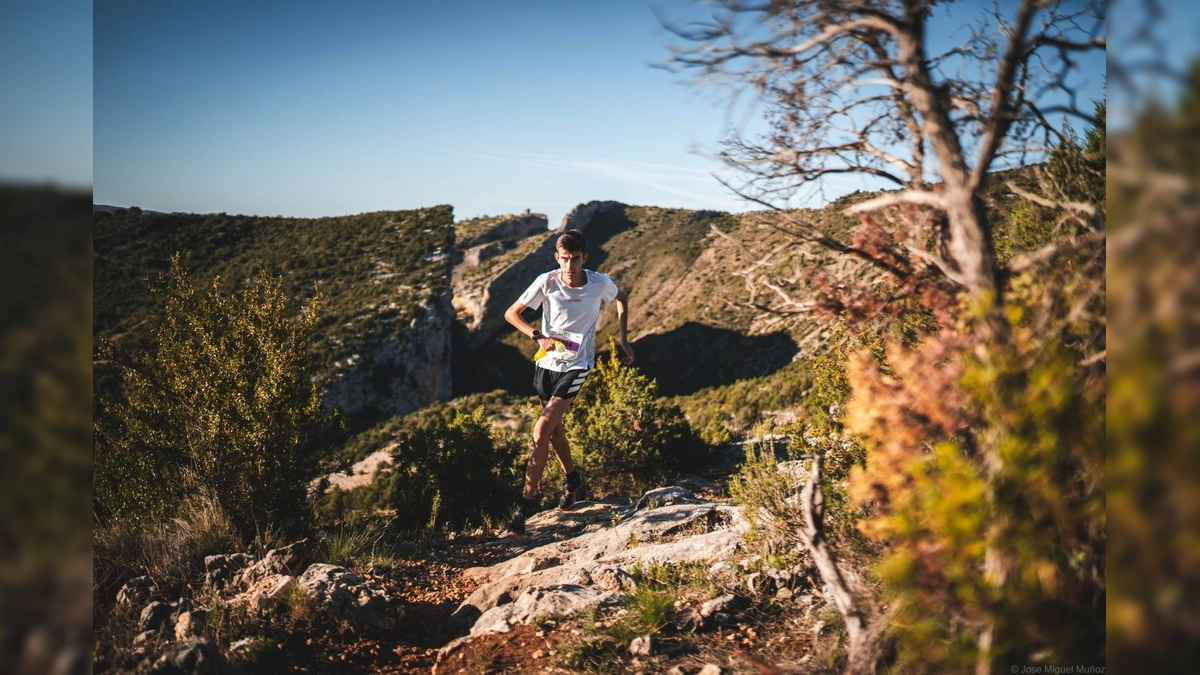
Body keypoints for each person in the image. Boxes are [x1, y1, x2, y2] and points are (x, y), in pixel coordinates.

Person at [501, 229, 635, 536]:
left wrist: (624, 339)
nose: (570, 266)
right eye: (564, 259)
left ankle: (524, 506)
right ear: (556, 258)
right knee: (554, 430)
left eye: (575, 259)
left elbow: (622, 299)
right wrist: (537, 335)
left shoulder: (599, 282)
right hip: (547, 365)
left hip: (577, 365)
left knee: (541, 429)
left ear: (584, 258)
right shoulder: (546, 281)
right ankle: (573, 479)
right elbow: (512, 314)